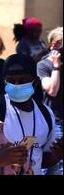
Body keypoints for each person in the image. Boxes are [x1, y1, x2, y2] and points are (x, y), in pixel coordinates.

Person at [0, 54, 63, 175]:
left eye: (23, 81)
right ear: (4, 82)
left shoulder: (45, 113)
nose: (17, 85)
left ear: (35, 82)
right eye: (12, 81)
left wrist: (58, 155)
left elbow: (41, 159)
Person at [37, 27, 63, 175]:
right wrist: (56, 67)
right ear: (54, 44)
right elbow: (52, 90)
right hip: (56, 122)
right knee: (54, 166)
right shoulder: (43, 65)